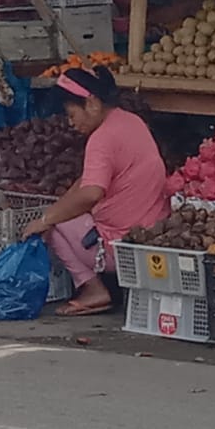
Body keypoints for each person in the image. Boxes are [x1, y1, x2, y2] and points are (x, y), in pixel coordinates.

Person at [19, 66, 167, 316]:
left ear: (92, 103)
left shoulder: (102, 139)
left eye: (71, 113)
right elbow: (86, 182)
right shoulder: (131, 121)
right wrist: (57, 208)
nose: (70, 122)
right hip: (153, 236)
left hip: (120, 249)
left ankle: (93, 289)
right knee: (60, 213)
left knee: (56, 226)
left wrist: (46, 219)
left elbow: (91, 194)